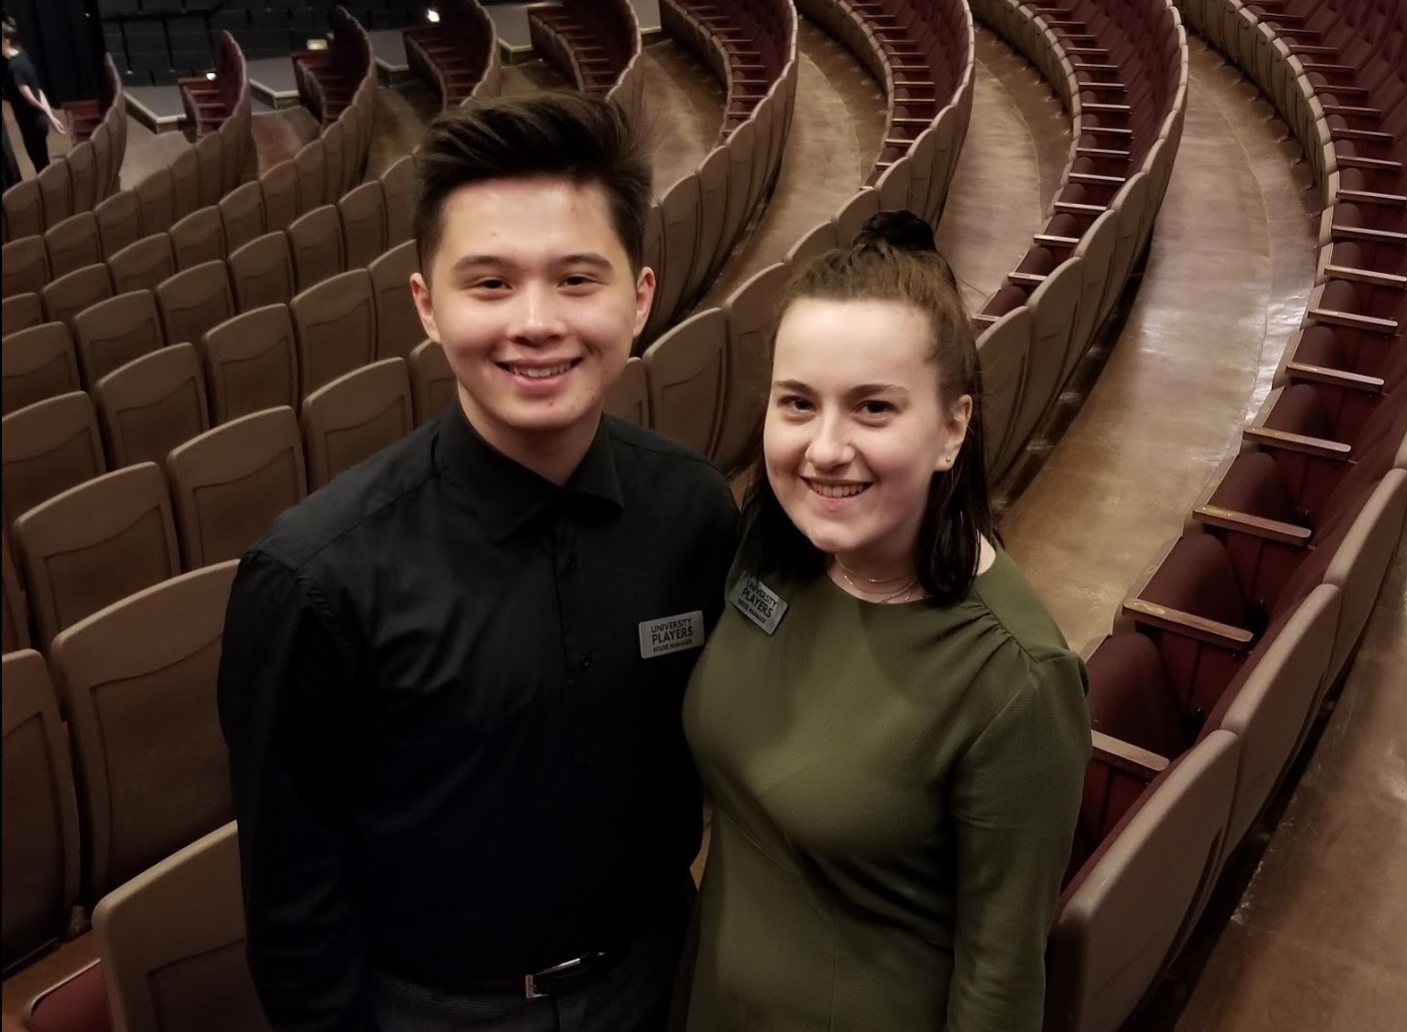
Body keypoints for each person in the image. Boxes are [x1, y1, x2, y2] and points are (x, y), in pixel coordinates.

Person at [218, 91, 739, 1032]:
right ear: (427, 305)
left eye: (578, 279)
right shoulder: (314, 578)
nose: (536, 323)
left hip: (662, 971)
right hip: (437, 1011)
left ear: (642, 296)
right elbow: (294, 901)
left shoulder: (694, 510)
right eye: (489, 283)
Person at [679, 211, 1092, 1032]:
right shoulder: (770, 554)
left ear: (951, 428)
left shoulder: (1015, 676)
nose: (825, 448)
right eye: (798, 403)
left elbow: (1002, 983)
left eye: (872, 408)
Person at [2, 19, 65, 175]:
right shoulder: (23, 56)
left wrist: (49, 116)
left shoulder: (13, 67)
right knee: (43, 162)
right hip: (39, 121)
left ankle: (49, 194)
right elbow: (38, 91)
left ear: (6, 41)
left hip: (31, 124)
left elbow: (30, 98)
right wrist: (50, 116)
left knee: (40, 165)